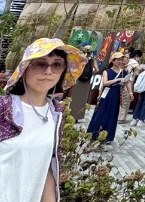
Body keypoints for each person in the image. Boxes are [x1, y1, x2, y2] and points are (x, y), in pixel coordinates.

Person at [0, 38, 86, 202]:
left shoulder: (55, 113)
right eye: (40, 64)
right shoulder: (4, 108)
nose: (48, 71)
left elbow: (46, 167)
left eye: (56, 64)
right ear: (25, 69)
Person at [87, 51, 129, 143]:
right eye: (118, 60)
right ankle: (94, 134)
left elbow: (127, 83)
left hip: (116, 95)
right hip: (106, 95)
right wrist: (117, 80)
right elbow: (105, 83)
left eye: (121, 60)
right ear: (113, 61)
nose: (119, 61)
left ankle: (108, 136)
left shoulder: (124, 72)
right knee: (100, 114)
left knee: (112, 115)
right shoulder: (107, 71)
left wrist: (130, 92)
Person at [69, 45, 98, 121]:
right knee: (82, 99)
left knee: (75, 98)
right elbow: (97, 70)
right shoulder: (93, 60)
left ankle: (71, 114)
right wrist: (91, 73)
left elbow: (74, 68)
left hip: (78, 80)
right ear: (91, 52)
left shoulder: (80, 58)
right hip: (86, 82)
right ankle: (79, 116)